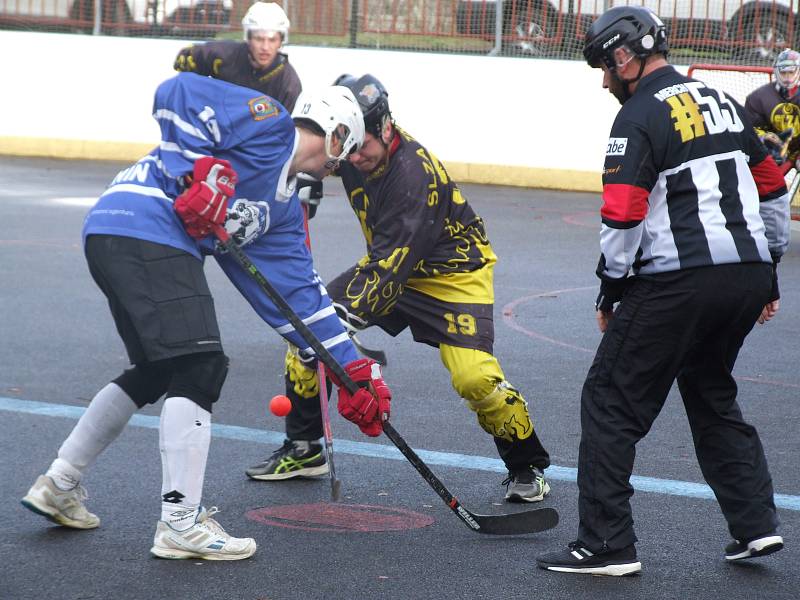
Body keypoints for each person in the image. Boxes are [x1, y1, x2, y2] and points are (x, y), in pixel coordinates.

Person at [21, 72, 393, 561]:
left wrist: (352, 372)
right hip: (145, 225)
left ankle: (59, 483)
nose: (341, 166)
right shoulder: (270, 125)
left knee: (160, 368)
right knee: (201, 365)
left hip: (112, 232)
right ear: (337, 134)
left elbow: (303, 299)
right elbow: (178, 93)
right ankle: (180, 523)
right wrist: (195, 168)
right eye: (347, 147)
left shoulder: (282, 214)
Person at [536, 6, 789, 576]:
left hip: (681, 279)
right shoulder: (723, 100)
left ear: (626, 55)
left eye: (605, 65)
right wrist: (767, 266)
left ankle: (607, 546)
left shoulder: (639, 115)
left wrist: (611, 289)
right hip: (745, 274)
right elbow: (772, 184)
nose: (604, 79)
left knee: (609, 401)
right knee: (709, 388)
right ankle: (755, 527)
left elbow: (622, 214)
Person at [245, 73, 552, 504]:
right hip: (387, 262)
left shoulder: (412, 174)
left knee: (475, 379)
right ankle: (304, 447)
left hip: (452, 274)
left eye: (363, 145)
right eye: (346, 148)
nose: (353, 158)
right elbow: (309, 161)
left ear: (387, 127)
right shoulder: (353, 153)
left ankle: (527, 464)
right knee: (303, 335)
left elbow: (390, 272)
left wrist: (339, 330)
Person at [174, 1, 302, 112]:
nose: (265, 47)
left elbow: (287, 133)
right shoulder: (223, 54)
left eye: (272, 40)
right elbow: (185, 59)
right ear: (248, 38)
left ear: (281, 42)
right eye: (259, 39)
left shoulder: (289, 85)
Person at [745, 48, 800, 174]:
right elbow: (750, 130)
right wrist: (765, 139)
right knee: (764, 185)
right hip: (776, 152)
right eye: (784, 73)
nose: (787, 77)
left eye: (791, 72)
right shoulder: (758, 98)